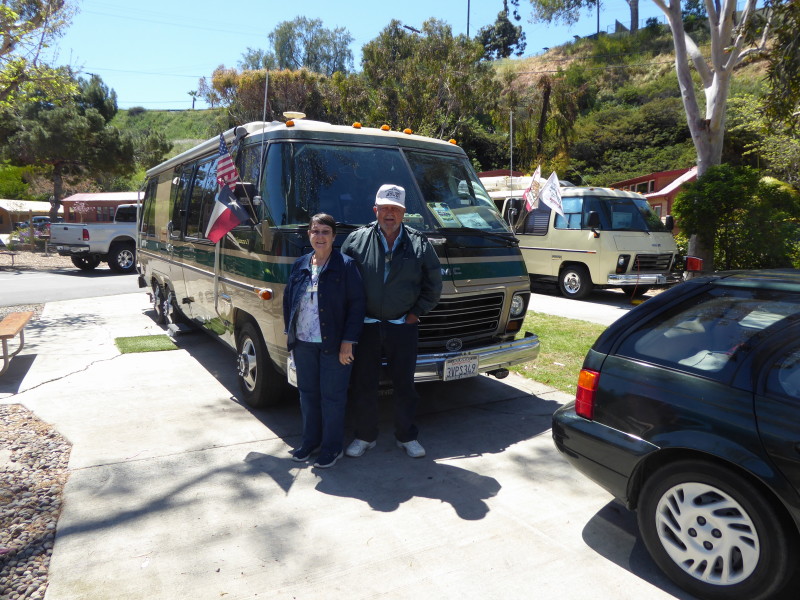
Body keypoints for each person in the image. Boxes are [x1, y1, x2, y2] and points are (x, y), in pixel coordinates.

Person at [341, 184, 442, 459]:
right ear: (375, 210)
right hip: (366, 326)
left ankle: (406, 436)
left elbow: (434, 284)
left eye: (395, 209)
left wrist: (415, 313)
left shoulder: (419, 243)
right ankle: (365, 436)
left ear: (404, 212)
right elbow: (342, 282)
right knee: (364, 384)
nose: (389, 213)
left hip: (403, 326)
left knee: (405, 385)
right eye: (385, 208)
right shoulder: (356, 240)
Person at [283, 213, 366, 468]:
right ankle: (310, 442)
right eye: (315, 231)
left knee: (332, 397)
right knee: (307, 395)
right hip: (303, 342)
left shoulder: (346, 265)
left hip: (334, 344)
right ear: (309, 234)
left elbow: (357, 306)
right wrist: (291, 335)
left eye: (325, 232)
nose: (320, 236)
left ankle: (332, 447)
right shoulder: (301, 264)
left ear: (334, 236)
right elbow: (288, 300)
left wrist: (348, 342)